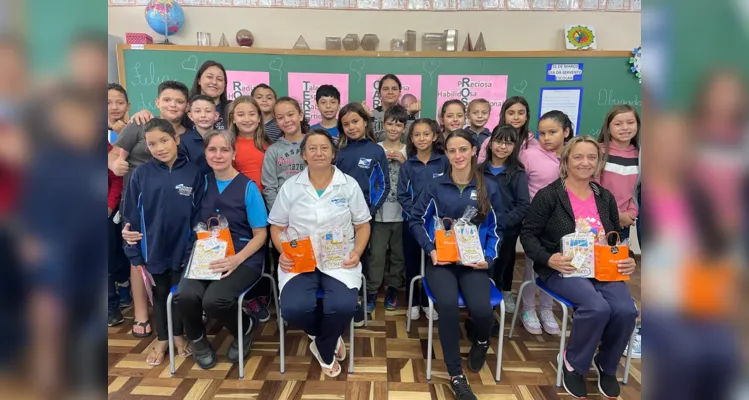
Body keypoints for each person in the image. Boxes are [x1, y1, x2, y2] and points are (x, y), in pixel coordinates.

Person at [520, 135, 638, 399]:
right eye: (578, 157)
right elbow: (528, 235)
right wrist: (548, 258)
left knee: (625, 309)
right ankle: (574, 364)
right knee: (596, 307)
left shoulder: (603, 196)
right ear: (566, 161)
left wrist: (626, 256)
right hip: (564, 268)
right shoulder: (549, 195)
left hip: (602, 269)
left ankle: (606, 365)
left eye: (591, 157)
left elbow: (613, 236)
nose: (585, 163)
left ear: (599, 162)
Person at [268, 129, 371, 378]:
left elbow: (363, 224)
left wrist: (357, 252)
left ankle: (323, 347)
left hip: (339, 259)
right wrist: (283, 251)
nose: (318, 153)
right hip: (300, 258)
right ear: (303, 154)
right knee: (293, 309)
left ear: (333, 153)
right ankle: (327, 336)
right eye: (312, 148)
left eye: (324, 147)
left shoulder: (348, 184)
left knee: (344, 306)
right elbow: (277, 226)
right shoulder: (292, 186)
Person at [409, 129, 502, 400]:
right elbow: (415, 220)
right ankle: (456, 375)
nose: (458, 155)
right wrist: (430, 250)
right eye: (452, 150)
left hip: (474, 263)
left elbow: (497, 229)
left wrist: (488, 257)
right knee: (447, 306)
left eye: (463, 149)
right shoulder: (435, 185)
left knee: (483, 310)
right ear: (446, 154)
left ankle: (482, 341)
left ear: (474, 151)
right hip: (443, 262)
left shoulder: (489, 187)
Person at [177, 130, 268, 369]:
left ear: (234, 153)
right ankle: (197, 339)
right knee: (186, 294)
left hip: (242, 256)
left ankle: (245, 327)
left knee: (214, 301)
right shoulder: (201, 183)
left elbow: (261, 235)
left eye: (224, 149)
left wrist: (236, 259)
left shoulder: (248, 188)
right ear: (205, 153)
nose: (218, 155)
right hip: (205, 254)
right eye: (212, 149)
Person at [108, 80, 190, 338]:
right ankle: (142, 314)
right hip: (138, 204)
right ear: (157, 102)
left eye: (179, 101)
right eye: (167, 100)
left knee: (173, 263)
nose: (173, 105)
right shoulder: (139, 123)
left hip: (174, 206)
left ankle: (177, 317)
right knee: (138, 257)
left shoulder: (188, 133)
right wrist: (114, 166)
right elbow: (114, 155)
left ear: (186, 106)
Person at [122, 118, 204, 366]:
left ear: (176, 139)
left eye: (164, 140)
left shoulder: (193, 173)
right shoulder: (141, 174)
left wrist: (192, 248)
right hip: (153, 248)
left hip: (184, 248)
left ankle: (178, 337)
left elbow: (198, 215)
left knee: (178, 294)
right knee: (159, 294)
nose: (159, 147)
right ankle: (162, 339)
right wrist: (134, 250)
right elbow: (130, 217)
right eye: (152, 144)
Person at [517, 110, 572, 336]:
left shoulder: (574, 155)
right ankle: (528, 308)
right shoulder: (529, 155)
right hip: (536, 221)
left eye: (553, 132)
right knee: (533, 265)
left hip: (566, 222)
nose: (546, 137)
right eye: (542, 133)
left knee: (557, 265)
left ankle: (547, 308)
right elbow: (521, 188)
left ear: (566, 132)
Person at [336, 102, 390, 325]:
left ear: (365, 122)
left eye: (355, 121)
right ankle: (343, 296)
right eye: (346, 124)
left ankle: (363, 296)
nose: (351, 127)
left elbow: (383, 185)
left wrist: (370, 212)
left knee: (367, 256)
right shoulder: (338, 151)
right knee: (341, 254)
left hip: (366, 217)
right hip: (338, 217)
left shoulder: (376, 150)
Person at [398, 118, 446, 321]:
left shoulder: (444, 161)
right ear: (411, 138)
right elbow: (402, 195)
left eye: (426, 134)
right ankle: (413, 302)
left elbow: (448, 192)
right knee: (412, 264)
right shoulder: (408, 165)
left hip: (437, 226)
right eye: (417, 135)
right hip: (412, 224)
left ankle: (428, 302)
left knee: (432, 264)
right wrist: (416, 217)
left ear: (435, 136)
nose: (422, 138)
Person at [481, 125, 530, 315]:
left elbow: (523, 205)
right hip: (482, 230)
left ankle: (495, 305)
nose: (503, 146)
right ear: (491, 143)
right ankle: (479, 305)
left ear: (514, 147)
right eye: (499, 141)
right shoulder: (479, 170)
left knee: (502, 267)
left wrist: (501, 222)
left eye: (508, 143)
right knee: (484, 267)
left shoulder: (517, 173)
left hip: (507, 231)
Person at [367, 105, 408, 312]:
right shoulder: (376, 148)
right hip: (380, 214)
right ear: (384, 124)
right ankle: (373, 290)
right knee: (376, 254)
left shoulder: (408, 150)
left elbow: (416, 177)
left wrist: (404, 161)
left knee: (398, 255)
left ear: (404, 128)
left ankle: (393, 288)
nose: (394, 128)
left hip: (401, 215)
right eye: (390, 123)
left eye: (399, 124)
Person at [128, 60, 229, 130]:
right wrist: (143, 112)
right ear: (199, 80)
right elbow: (167, 117)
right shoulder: (184, 105)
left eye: (220, 79)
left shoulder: (232, 108)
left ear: (225, 84)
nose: (214, 82)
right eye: (209, 77)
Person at [597, 105, 641, 243]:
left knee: (617, 261)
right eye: (618, 124)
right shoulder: (599, 152)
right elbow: (594, 186)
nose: (625, 128)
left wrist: (631, 214)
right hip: (599, 217)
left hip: (624, 222)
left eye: (630, 122)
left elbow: (637, 191)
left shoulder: (640, 156)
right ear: (608, 128)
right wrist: (615, 214)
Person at [226, 96, 270, 194]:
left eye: (252, 114)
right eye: (241, 115)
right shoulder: (228, 145)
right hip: (239, 198)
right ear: (233, 119)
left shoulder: (269, 144)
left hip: (266, 198)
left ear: (259, 118)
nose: (247, 119)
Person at [364, 74, 420, 142]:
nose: (390, 92)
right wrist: (369, 118)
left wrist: (410, 116)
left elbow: (410, 141)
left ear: (400, 93)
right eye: (386, 89)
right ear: (379, 93)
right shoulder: (372, 115)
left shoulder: (409, 113)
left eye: (394, 89)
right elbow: (369, 141)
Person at [477, 96, 532, 164]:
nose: (516, 117)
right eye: (511, 113)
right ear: (504, 115)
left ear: (526, 116)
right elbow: (480, 167)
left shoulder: (533, 144)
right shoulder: (489, 141)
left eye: (521, 113)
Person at [181, 94, 220, 175]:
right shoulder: (183, 141)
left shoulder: (224, 138)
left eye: (208, 111)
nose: (203, 115)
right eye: (197, 111)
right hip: (196, 185)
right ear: (190, 116)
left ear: (216, 116)